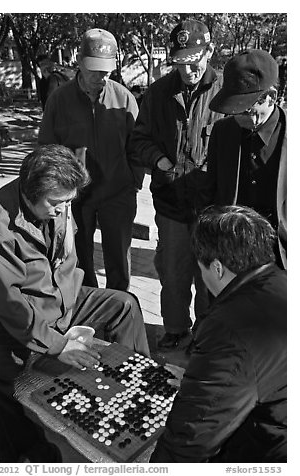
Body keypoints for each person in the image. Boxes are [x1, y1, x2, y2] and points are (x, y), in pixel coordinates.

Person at [0, 144, 150, 463]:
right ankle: (27, 455)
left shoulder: (58, 201)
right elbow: (11, 305)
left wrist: (69, 320)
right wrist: (58, 344)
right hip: (9, 318)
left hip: (61, 300)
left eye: (69, 202)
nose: (63, 210)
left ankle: (134, 391)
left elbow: (67, 264)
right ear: (30, 191)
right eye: (56, 203)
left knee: (123, 304)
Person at [150, 205, 286, 463]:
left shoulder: (228, 327)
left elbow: (190, 439)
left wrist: (208, 383)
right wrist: (207, 375)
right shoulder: (283, 280)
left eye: (200, 269)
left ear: (217, 268)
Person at [131, 19, 223, 349]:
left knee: (210, 277)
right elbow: (138, 140)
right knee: (172, 272)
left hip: (212, 210)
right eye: (180, 63)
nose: (187, 71)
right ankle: (175, 327)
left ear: (209, 51)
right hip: (170, 204)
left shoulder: (226, 92)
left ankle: (205, 335)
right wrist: (161, 162)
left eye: (194, 61)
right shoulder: (158, 92)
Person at [38, 29, 144, 292]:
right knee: (79, 259)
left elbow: (138, 144)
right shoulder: (59, 100)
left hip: (118, 192)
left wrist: (134, 182)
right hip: (75, 196)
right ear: (80, 62)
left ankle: (120, 309)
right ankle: (89, 306)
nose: (102, 76)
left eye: (107, 70)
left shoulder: (124, 98)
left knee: (119, 259)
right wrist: (56, 192)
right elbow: (47, 149)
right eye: (95, 69)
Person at [202, 49, 287, 269]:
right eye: (234, 111)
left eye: (247, 110)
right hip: (232, 251)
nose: (239, 118)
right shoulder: (222, 132)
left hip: (283, 255)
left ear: (271, 97)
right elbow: (211, 190)